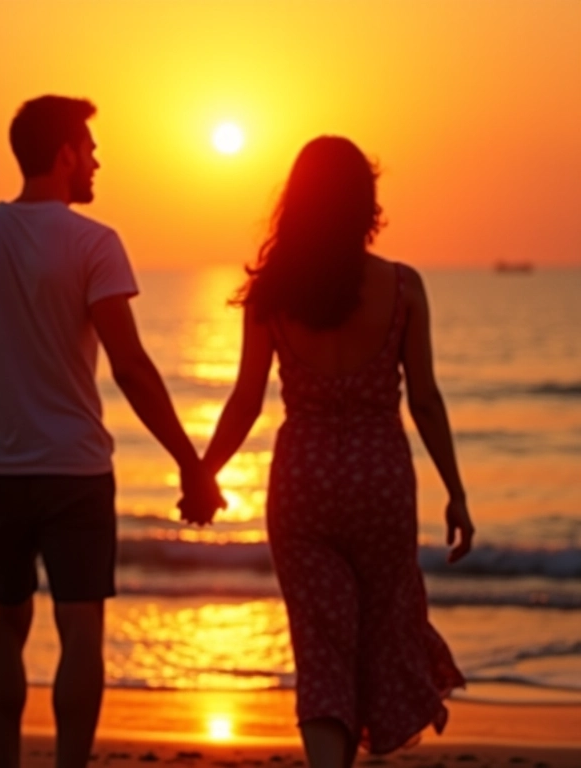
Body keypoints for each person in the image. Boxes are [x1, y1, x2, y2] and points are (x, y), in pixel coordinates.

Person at [0, 95, 223, 768]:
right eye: (89, 148)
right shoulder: (93, 242)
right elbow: (132, 368)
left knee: (4, 622)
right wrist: (190, 462)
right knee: (81, 627)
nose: (97, 161)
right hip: (76, 470)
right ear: (63, 155)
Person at [180, 136, 474, 767]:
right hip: (381, 485)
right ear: (366, 202)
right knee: (376, 639)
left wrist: (204, 472)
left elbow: (245, 400)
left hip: (303, 484)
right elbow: (424, 399)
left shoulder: (272, 292)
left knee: (321, 650)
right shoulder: (402, 287)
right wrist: (457, 491)